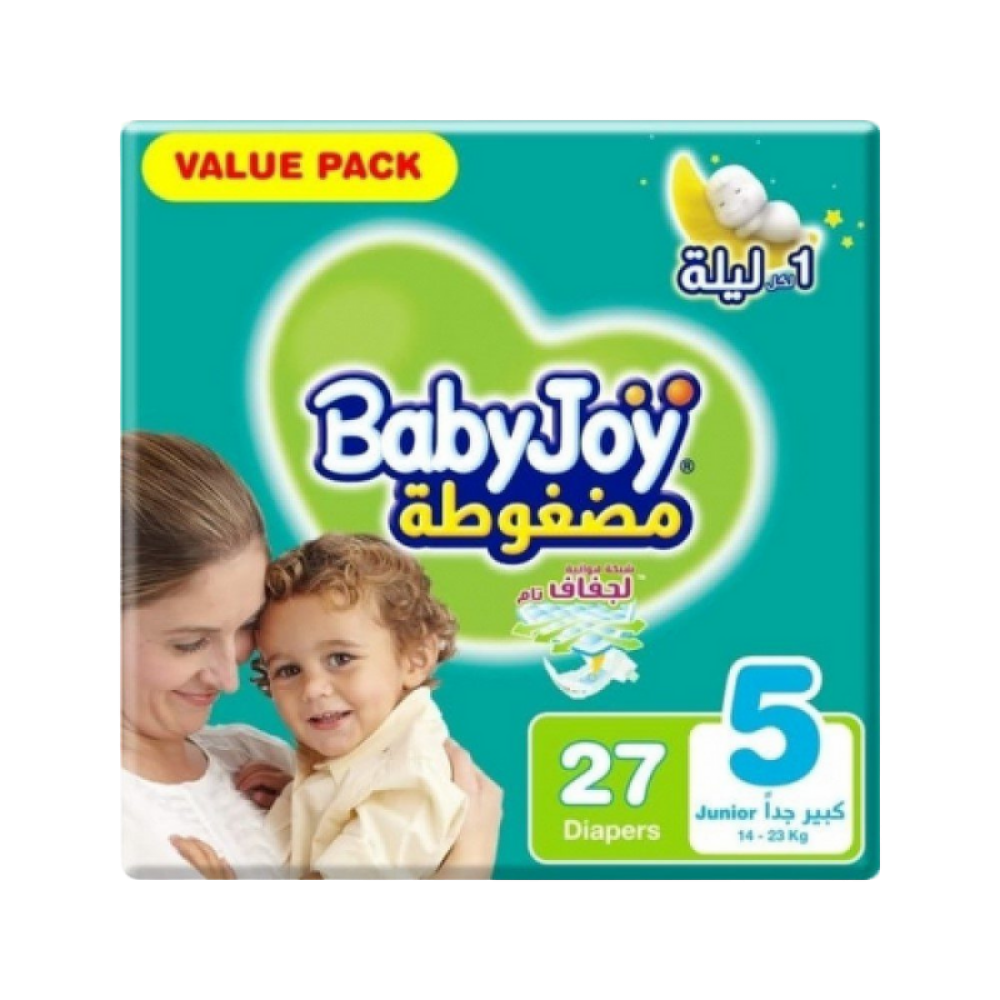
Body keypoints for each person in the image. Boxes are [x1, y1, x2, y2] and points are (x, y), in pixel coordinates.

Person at [120, 431, 502, 879]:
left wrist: (315, 809)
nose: (229, 679)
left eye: (246, 626)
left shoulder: (257, 759)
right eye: (188, 643)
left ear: (416, 657)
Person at [179, 533, 471, 880]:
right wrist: (310, 804)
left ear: (415, 659)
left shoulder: (412, 778)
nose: (313, 688)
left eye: (340, 658)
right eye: (289, 670)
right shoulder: (363, 758)